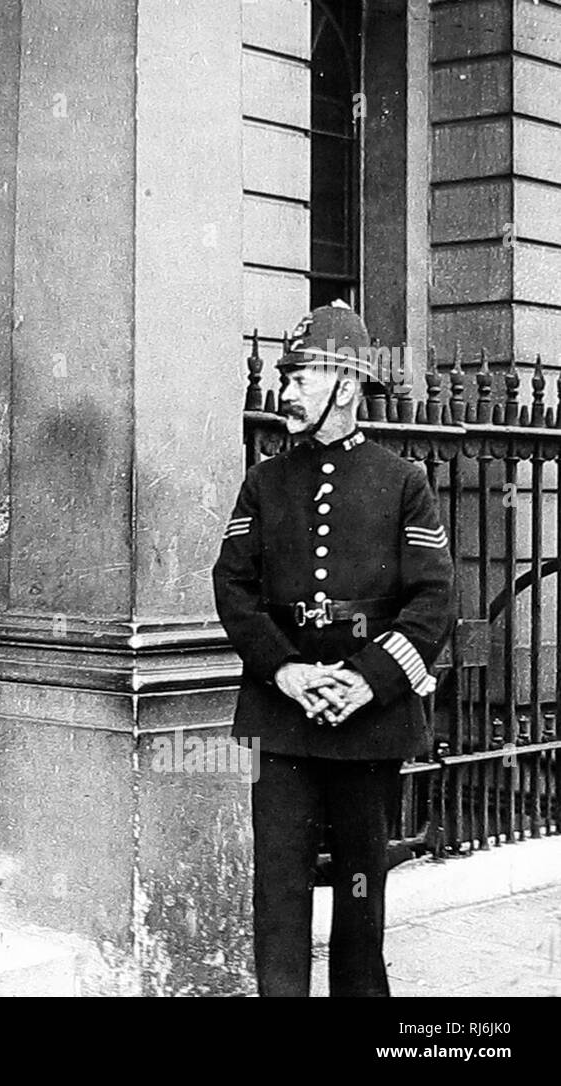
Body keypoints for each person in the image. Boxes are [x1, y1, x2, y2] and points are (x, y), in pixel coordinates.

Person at [212, 301, 455, 996]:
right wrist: (284, 671)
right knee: (278, 894)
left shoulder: (402, 482)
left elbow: (434, 600)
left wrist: (367, 680)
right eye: (284, 377)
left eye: (300, 376)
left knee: (359, 898)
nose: (284, 392)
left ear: (345, 387)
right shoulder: (264, 482)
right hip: (281, 718)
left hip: (368, 722)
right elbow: (233, 588)